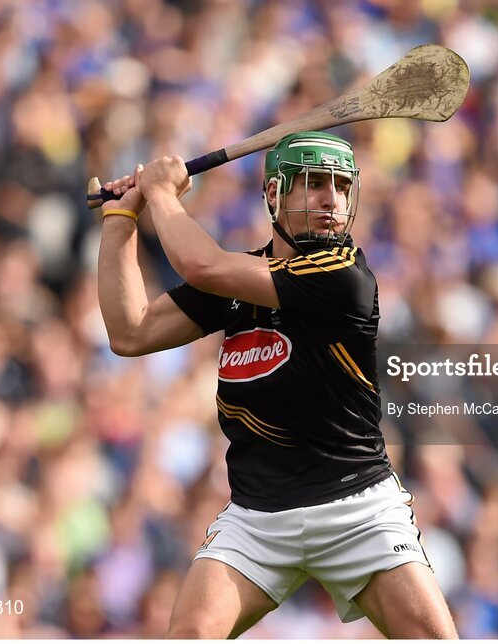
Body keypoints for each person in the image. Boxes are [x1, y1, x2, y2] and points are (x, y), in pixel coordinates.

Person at [96, 131, 458, 639]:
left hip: (355, 506)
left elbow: (201, 264)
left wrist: (159, 192)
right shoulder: (238, 278)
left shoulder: (343, 275)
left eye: (340, 187)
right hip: (257, 515)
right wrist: (121, 219)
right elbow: (130, 331)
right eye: (313, 184)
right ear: (272, 194)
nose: (331, 199)